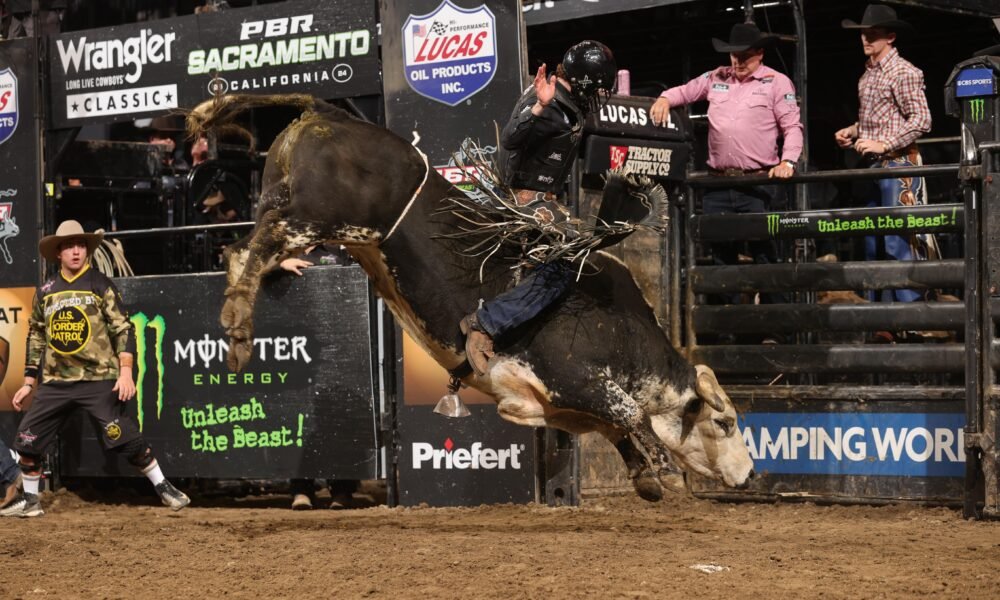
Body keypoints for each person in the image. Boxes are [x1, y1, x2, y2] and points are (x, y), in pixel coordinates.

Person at [0, 220, 190, 517]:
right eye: (68, 246)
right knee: (27, 441)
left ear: (86, 251)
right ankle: (32, 501)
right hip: (55, 383)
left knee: (124, 437)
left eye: (80, 246)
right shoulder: (46, 290)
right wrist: (28, 381)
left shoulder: (100, 284)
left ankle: (164, 486)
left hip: (99, 379)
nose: (75, 252)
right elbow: (36, 334)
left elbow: (122, 329)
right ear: (58, 253)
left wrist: (126, 372)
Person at [460, 40, 618, 376]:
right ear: (583, 82)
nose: (598, 95)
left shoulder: (566, 101)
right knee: (563, 266)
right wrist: (537, 109)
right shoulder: (544, 100)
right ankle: (485, 324)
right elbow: (512, 138)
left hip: (543, 201)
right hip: (523, 203)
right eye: (598, 87)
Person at [650, 22, 803, 312]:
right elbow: (685, 90)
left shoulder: (776, 82)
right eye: (734, 54)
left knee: (765, 255)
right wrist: (665, 97)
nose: (738, 61)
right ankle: (724, 327)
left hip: (757, 183)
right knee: (721, 258)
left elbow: (792, 126)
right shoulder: (716, 77)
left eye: (744, 54)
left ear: (759, 53)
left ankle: (777, 328)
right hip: (718, 184)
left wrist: (788, 160)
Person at [835, 4, 935, 306]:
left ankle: (912, 317)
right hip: (875, 167)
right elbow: (882, 119)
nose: (866, 40)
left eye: (873, 35)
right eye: (864, 34)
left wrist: (884, 144)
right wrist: (855, 131)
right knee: (872, 239)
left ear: (890, 37)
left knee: (898, 240)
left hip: (898, 164)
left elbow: (922, 119)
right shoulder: (868, 76)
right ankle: (881, 318)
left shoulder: (904, 72)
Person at [278, 245, 359, 510]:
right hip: (295, 350)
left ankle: (341, 490)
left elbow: (355, 281)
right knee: (300, 420)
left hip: (336, 346)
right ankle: (301, 489)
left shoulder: (337, 252)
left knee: (338, 418)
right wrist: (279, 265)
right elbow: (248, 267)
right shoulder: (279, 251)